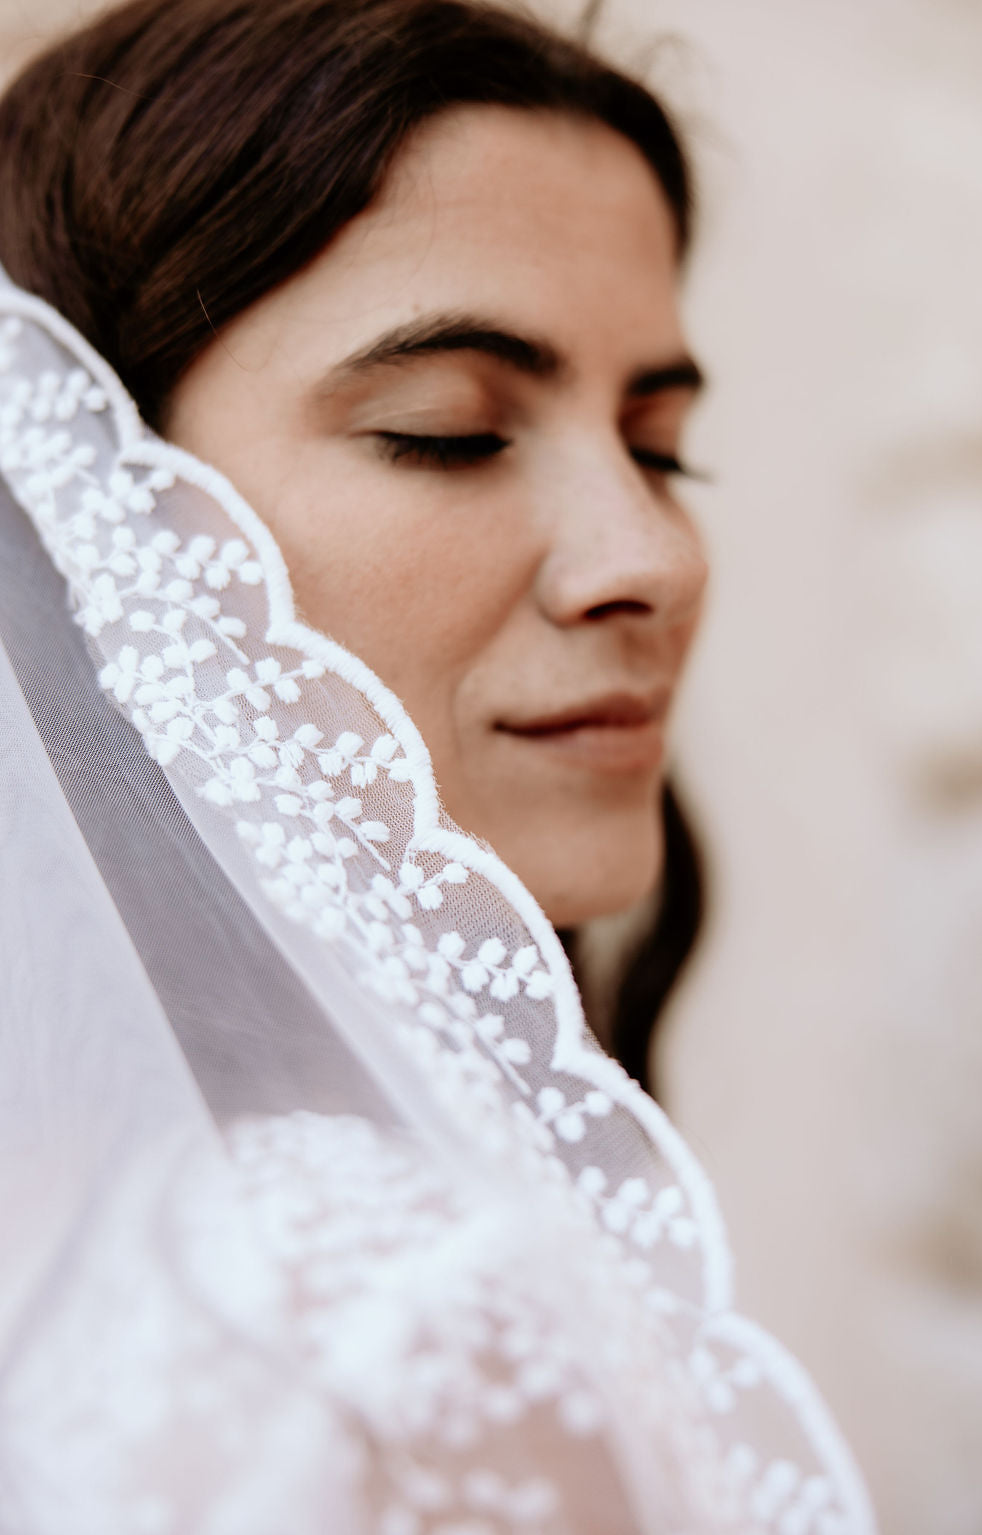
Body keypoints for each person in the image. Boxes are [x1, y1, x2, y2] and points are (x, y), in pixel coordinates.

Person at [0, 2, 876, 1531]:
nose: (649, 558)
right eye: (451, 430)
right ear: (82, 529)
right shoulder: (410, 1321)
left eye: (660, 446)